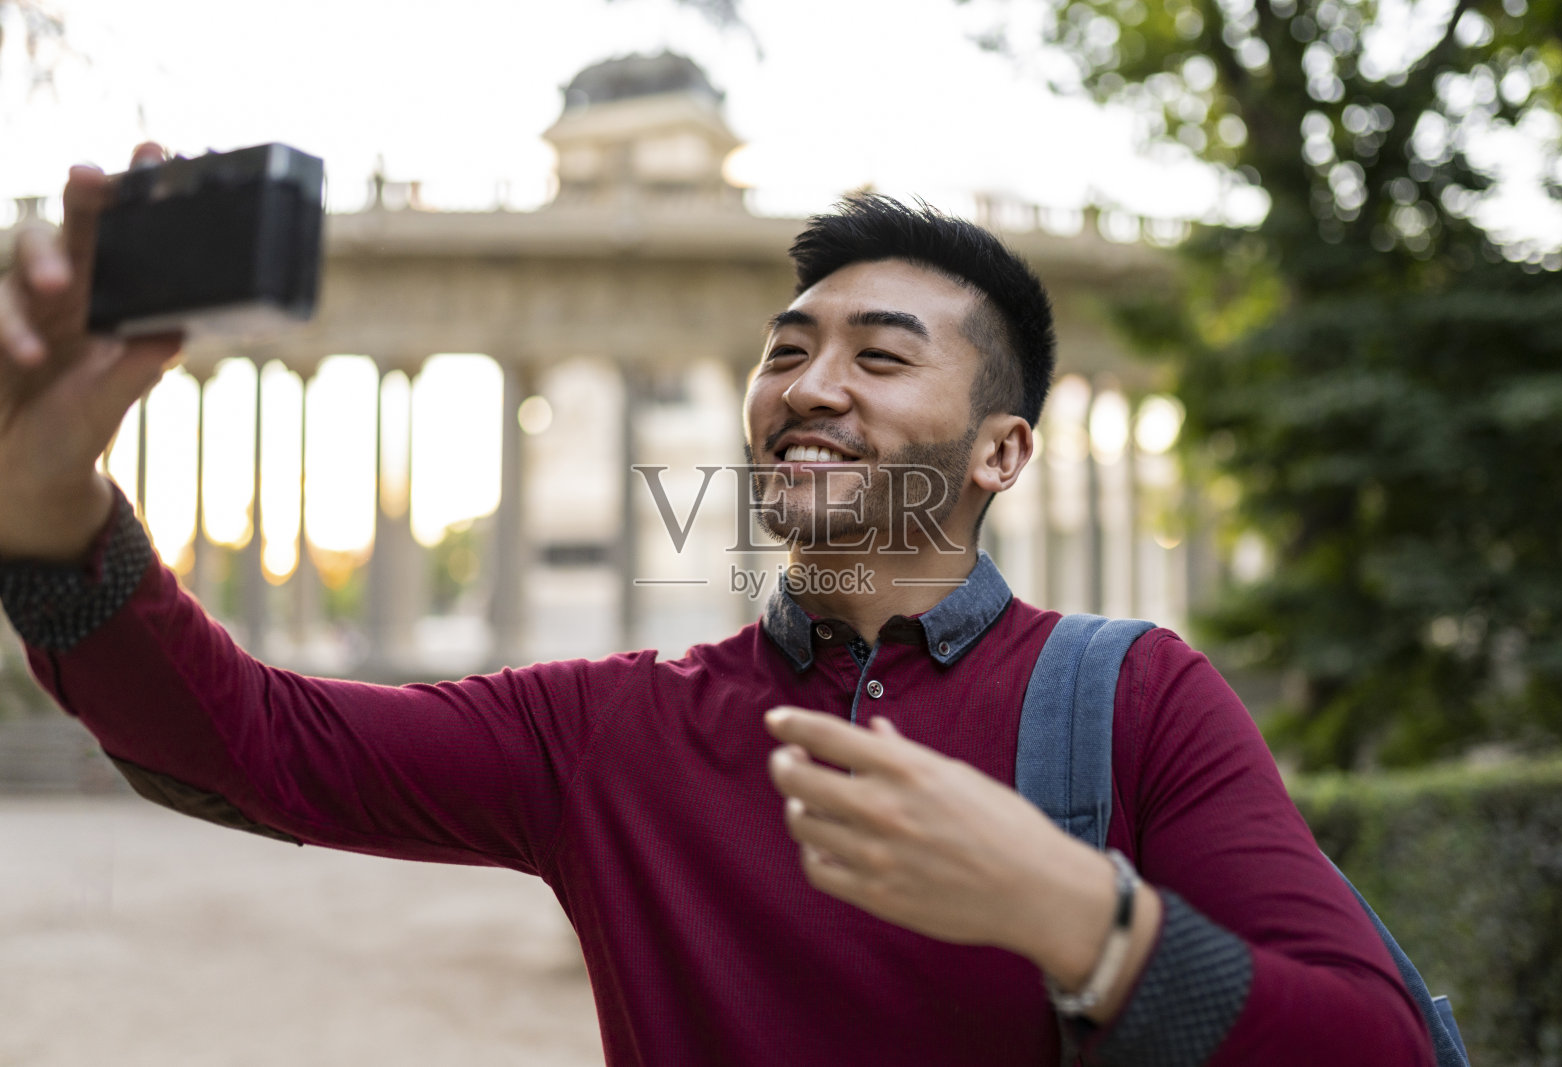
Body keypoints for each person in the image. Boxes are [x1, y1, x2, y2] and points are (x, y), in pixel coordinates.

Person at [0, 145, 1432, 1066]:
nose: (810, 387)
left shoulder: (1138, 698)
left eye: (881, 357)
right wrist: (49, 508)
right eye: (788, 352)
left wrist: (1083, 920)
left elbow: (1373, 1045)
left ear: (1000, 451)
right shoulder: (614, 729)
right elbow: (251, 747)